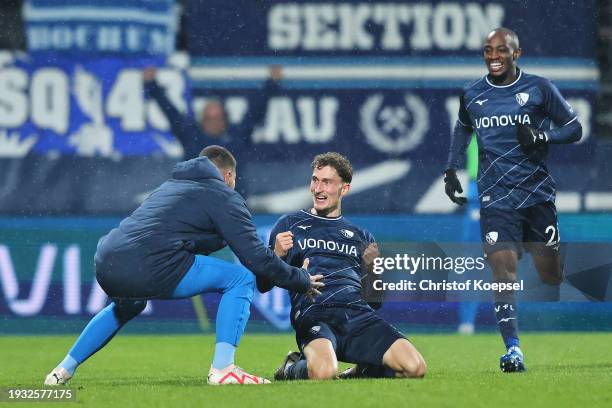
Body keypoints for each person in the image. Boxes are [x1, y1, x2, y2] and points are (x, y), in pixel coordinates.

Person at [44, 145, 323, 386]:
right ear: (227, 176)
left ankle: (63, 369)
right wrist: (301, 279)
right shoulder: (222, 195)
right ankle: (223, 368)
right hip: (151, 263)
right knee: (239, 279)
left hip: (108, 259)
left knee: (128, 304)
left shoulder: (172, 186)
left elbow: (192, 239)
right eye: (234, 180)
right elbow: (255, 261)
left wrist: (271, 255)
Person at [444, 27, 582, 372]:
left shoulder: (539, 88)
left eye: (501, 50)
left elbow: (575, 127)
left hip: (536, 195)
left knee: (550, 275)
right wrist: (451, 169)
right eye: (488, 50)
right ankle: (513, 350)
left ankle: (537, 249)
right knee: (502, 271)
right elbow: (462, 128)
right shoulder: (473, 94)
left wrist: (543, 135)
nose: (493, 56)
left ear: (516, 54)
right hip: (495, 197)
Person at [263, 152, 426, 381]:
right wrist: (276, 255)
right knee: (324, 373)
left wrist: (372, 270)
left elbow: (375, 301)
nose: (318, 189)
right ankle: (291, 367)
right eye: (315, 180)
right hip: (316, 314)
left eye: (327, 182)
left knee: (415, 368)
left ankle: (358, 372)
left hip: (358, 315)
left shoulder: (361, 236)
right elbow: (262, 285)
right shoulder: (290, 224)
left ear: (344, 189)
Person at [143, 65, 283, 160]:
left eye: (217, 118)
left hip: (230, 202)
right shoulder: (191, 136)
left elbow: (255, 111)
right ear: (202, 120)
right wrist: (152, 86)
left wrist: (270, 85)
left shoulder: (237, 136)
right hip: (196, 201)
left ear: (225, 119)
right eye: (209, 118)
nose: (213, 123)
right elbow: (171, 113)